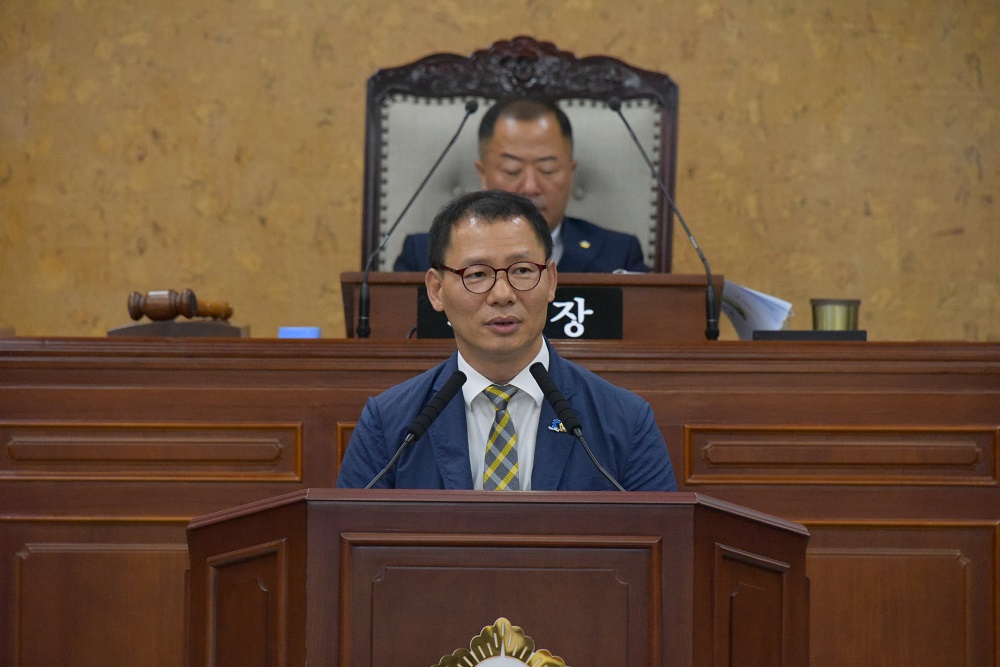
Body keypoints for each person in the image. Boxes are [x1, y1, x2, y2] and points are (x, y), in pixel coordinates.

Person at [338, 190, 676, 491]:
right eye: (477, 274)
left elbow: (663, 550)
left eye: (523, 271)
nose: (503, 294)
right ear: (436, 291)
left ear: (552, 281)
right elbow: (350, 547)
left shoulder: (626, 421)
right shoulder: (389, 424)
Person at [392, 97, 650, 274]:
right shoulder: (425, 256)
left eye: (547, 169)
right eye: (511, 170)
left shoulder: (619, 255)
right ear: (483, 174)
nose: (529, 187)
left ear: (570, 172)